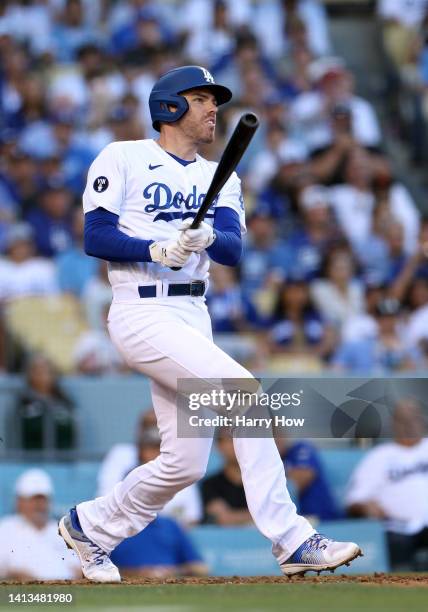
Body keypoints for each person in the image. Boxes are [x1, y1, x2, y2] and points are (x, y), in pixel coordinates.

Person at [58, 65, 361, 581]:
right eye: (200, 99)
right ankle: (291, 538)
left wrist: (202, 240)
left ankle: (92, 526)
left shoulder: (219, 174)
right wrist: (155, 246)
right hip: (142, 308)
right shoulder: (124, 156)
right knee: (245, 393)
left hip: (192, 314)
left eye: (213, 100)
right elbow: (96, 235)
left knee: (184, 464)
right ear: (169, 106)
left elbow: (233, 248)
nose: (212, 109)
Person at [346, 399, 428, 571]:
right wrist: (367, 507)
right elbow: (354, 501)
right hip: (398, 528)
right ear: (393, 424)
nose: (409, 425)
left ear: (422, 420)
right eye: (403, 420)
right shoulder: (379, 456)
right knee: (397, 549)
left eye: (413, 419)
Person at [0, 469, 80, 581]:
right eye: (33, 500)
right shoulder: (5, 529)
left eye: (42, 499)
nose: (38, 505)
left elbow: (78, 568)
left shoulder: (62, 530)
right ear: (19, 501)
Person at [201, 427, 252, 526]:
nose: (237, 444)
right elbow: (224, 519)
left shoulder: (264, 482)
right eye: (230, 439)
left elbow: (274, 516)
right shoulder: (210, 485)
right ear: (219, 446)